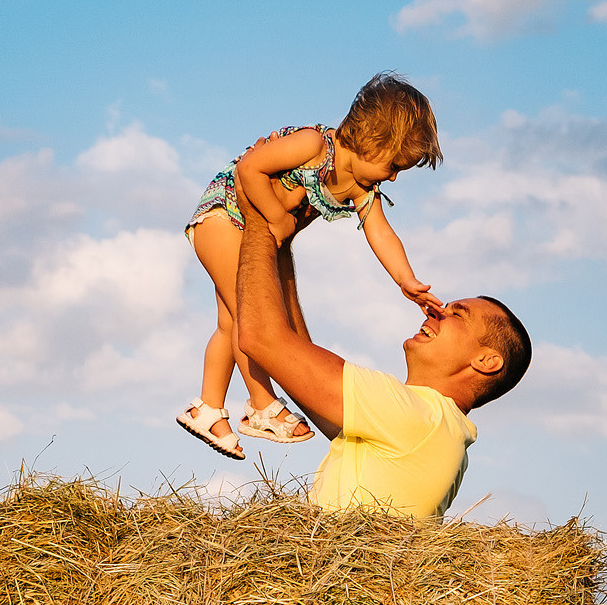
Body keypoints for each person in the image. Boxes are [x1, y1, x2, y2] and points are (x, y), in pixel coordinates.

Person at [232, 150, 531, 520]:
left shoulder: (422, 418)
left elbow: (262, 339)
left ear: (487, 360)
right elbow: (294, 357)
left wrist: (258, 217)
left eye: (458, 314)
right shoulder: (433, 431)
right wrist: (283, 243)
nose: (438, 310)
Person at [177, 73, 445, 461]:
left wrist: (406, 280)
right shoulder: (314, 145)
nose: (393, 177)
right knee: (248, 314)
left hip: (252, 236)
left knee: (231, 323)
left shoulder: (360, 188)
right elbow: (249, 169)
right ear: (373, 141)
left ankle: (208, 409)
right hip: (223, 216)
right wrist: (275, 217)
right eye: (394, 165)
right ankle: (262, 405)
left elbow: (382, 233)